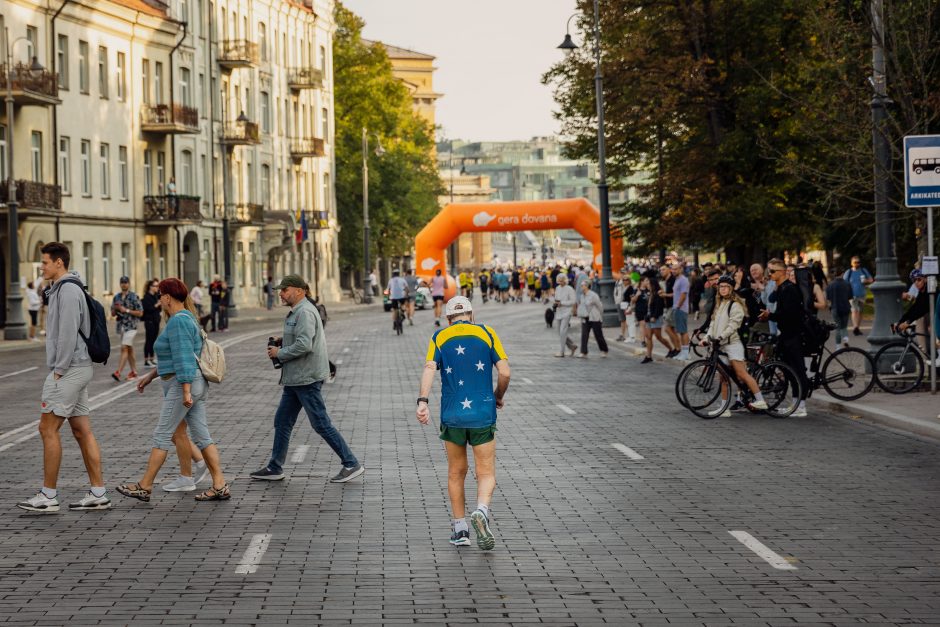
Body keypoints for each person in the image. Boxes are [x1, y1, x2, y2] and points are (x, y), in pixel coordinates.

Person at [117, 277, 230, 503]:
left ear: (168, 297)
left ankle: (145, 485)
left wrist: (186, 391)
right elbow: (174, 357)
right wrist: (150, 376)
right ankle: (220, 485)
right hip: (192, 383)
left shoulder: (178, 321)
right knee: (201, 435)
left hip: (183, 384)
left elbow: (184, 358)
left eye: (160, 294)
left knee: (162, 434)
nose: (159, 298)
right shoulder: (187, 317)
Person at [17, 242, 110, 513]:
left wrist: (58, 370)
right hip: (79, 367)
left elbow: (68, 333)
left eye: (45, 262)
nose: (42, 266)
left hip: (69, 369)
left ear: (59, 263)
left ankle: (48, 495)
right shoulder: (63, 289)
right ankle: (98, 492)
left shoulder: (68, 291)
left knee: (47, 429)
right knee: (82, 431)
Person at [415, 295, 510, 550]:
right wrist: (498, 396)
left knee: (456, 472)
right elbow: (505, 371)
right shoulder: (487, 333)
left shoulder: (439, 337)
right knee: (486, 473)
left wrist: (422, 401)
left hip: (452, 416)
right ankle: (481, 510)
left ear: (448, 319)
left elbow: (428, 368)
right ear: (472, 314)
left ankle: (460, 530)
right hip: (482, 414)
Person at [251, 274, 364, 483]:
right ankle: (275, 467)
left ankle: (351, 463)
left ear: (299, 291)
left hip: (306, 378)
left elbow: (304, 345)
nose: (281, 295)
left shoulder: (304, 312)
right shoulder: (298, 311)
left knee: (320, 423)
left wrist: (279, 353)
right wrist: (283, 340)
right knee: (282, 421)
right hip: (295, 379)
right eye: (280, 291)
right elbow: (302, 337)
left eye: (285, 291)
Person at [702, 275, 768, 417]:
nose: (723, 289)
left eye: (726, 287)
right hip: (721, 345)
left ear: (731, 289)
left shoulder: (735, 305)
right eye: (721, 287)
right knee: (723, 378)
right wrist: (707, 338)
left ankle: (760, 400)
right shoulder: (720, 304)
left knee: (741, 373)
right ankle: (724, 408)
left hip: (733, 344)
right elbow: (713, 324)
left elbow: (733, 325)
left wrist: (721, 337)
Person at [759, 259, 809, 417]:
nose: (770, 274)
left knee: (797, 370)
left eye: (773, 271)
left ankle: (801, 406)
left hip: (793, 335)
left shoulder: (790, 289)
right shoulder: (781, 288)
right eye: (769, 271)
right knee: (788, 370)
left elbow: (789, 315)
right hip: (785, 334)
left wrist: (770, 315)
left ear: (782, 272)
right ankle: (795, 403)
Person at [111, 276, 143, 382]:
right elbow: (112, 313)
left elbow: (140, 312)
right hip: (121, 327)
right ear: (120, 284)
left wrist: (126, 310)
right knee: (129, 349)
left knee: (124, 347)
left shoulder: (134, 297)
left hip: (131, 326)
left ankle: (118, 372)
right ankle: (134, 371)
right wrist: (115, 310)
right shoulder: (116, 297)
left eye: (126, 282)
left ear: (129, 284)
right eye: (122, 282)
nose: (124, 284)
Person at [642, 278, 674, 363]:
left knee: (658, 337)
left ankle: (671, 349)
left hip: (656, 318)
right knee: (648, 337)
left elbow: (659, 307)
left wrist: (655, 317)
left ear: (653, 284)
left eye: (648, 283)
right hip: (648, 317)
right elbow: (648, 307)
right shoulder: (650, 294)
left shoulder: (658, 294)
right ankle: (648, 356)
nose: (647, 285)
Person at [577, 279, 608, 358]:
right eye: (581, 285)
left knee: (598, 335)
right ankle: (583, 352)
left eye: (582, 285)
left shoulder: (593, 295)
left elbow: (600, 306)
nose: (581, 287)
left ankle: (604, 350)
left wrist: (600, 315)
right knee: (584, 335)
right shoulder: (581, 296)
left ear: (587, 286)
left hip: (594, 317)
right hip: (585, 317)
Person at [843, 256, 873, 336]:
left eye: (858, 262)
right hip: (852, 295)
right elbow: (844, 283)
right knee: (854, 310)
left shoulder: (863, 270)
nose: (857, 264)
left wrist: (866, 281)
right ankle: (855, 327)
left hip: (862, 294)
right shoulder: (848, 272)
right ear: (851, 263)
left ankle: (857, 328)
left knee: (860, 311)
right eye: (855, 262)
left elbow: (871, 279)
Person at [552, 274, 578, 357]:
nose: (560, 282)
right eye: (559, 280)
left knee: (563, 331)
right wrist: (556, 303)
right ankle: (572, 346)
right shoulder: (557, 288)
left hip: (567, 312)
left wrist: (562, 303)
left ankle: (561, 351)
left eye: (562, 280)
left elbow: (573, 301)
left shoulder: (570, 289)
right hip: (559, 311)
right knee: (559, 332)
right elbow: (556, 298)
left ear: (565, 280)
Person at [826, 267, 852, 347]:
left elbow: (829, 298)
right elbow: (850, 296)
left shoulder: (830, 285)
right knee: (844, 326)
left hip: (835, 308)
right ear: (842, 274)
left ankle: (838, 347)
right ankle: (846, 339)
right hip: (845, 307)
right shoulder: (847, 284)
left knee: (837, 327)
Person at [671, 265, 691, 359]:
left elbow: (683, 295)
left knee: (683, 331)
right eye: (673, 269)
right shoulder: (677, 279)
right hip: (677, 308)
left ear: (680, 269)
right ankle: (683, 352)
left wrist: (678, 306)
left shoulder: (683, 280)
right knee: (680, 331)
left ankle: (686, 353)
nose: (674, 271)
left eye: (675, 269)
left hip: (681, 308)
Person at [141, 279, 162, 367]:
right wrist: (157, 305)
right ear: (150, 287)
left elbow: (159, 309)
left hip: (156, 320)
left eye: (158, 286)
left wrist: (159, 305)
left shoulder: (156, 296)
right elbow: (148, 309)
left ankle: (152, 358)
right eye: (155, 286)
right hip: (149, 321)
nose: (157, 288)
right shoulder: (146, 297)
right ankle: (146, 360)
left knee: (154, 340)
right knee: (149, 340)